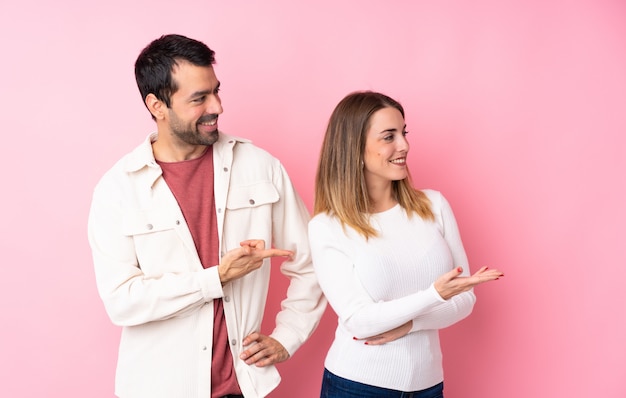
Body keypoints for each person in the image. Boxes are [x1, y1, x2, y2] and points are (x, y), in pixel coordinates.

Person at [87, 34, 326, 398]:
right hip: (157, 389)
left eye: (216, 91)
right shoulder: (118, 189)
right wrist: (215, 278)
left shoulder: (260, 167)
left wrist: (287, 336)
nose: (216, 106)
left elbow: (311, 262)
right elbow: (123, 301)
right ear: (157, 106)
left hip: (243, 388)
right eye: (199, 98)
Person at [308, 91, 504, 398]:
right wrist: (434, 295)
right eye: (389, 137)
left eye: (404, 133)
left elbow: (464, 300)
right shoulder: (327, 227)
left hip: (428, 385)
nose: (404, 146)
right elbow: (359, 321)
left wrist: (411, 325)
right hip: (357, 386)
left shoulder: (433, 205)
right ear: (354, 148)